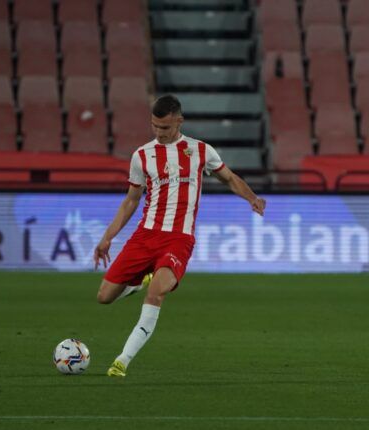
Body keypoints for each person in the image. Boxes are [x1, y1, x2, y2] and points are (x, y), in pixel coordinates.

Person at [93, 95, 266, 377]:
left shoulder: (199, 150)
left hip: (178, 239)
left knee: (156, 293)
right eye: (154, 126)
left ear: (179, 121)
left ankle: (122, 360)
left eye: (165, 128)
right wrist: (107, 237)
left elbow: (230, 178)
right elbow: (131, 201)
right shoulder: (142, 156)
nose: (159, 133)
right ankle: (141, 280)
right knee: (104, 296)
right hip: (145, 235)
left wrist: (252, 198)